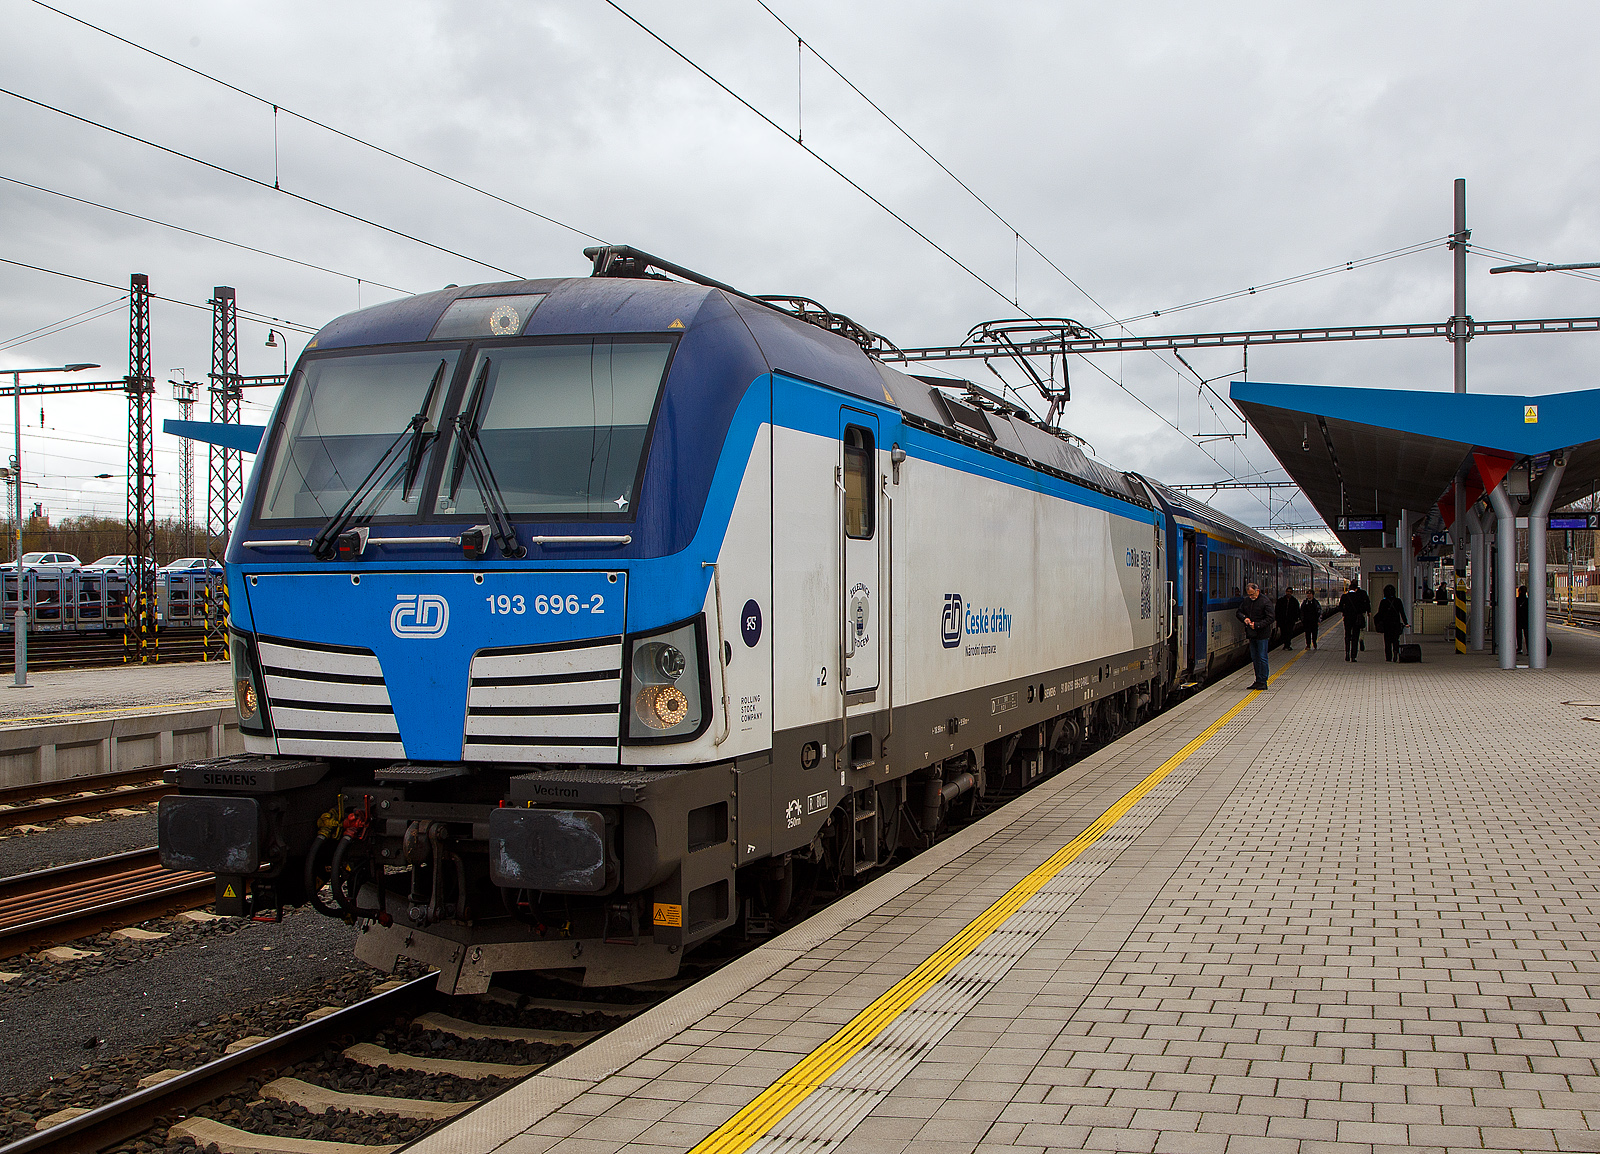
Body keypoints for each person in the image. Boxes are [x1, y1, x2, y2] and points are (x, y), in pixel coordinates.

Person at [1237, 580, 1274, 689]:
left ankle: (1263, 680)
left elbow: (1271, 618)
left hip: (1262, 634)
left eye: (1252, 594)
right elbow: (1239, 612)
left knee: (1262, 657)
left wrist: (1257, 625)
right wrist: (1245, 619)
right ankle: (1258, 679)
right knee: (1255, 657)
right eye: (1249, 595)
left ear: (1257, 591)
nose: (1251, 596)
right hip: (1252, 634)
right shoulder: (1247, 601)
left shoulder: (1265, 602)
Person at [1338, 580, 1371, 662]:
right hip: (1357, 619)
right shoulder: (1359, 596)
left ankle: (1347, 654)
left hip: (1347, 619)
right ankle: (1353, 656)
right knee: (1355, 637)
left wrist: (1345, 612)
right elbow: (1364, 606)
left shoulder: (1344, 597)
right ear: (1356, 589)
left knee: (1347, 636)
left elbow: (1340, 608)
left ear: (1349, 589)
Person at [1374, 583, 1409, 661]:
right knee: (1396, 639)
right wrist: (1406, 622)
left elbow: (1380, 614)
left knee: (1387, 641)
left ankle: (1388, 657)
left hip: (1387, 624)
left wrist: (1377, 622)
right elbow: (1402, 612)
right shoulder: (1398, 601)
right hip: (1396, 623)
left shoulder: (1383, 602)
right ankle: (1396, 651)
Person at [1274, 588, 1300, 652]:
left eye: (1290, 592)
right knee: (1283, 633)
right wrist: (1277, 618)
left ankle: (1287, 645)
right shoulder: (1281, 601)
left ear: (1292, 593)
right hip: (1282, 620)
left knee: (1289, 632)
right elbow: (1277, 610)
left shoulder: (1294, 601)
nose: (1288, 593)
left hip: (1290, 620)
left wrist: (1295, 618)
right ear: (1285, 592)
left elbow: (1297, 610)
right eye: (1287, 591)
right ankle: (1286, 644)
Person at [1515, 585, 1529, 654]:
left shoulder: (1516, 600)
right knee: (1527, 636)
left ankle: (1519, 648)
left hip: (1518, 619)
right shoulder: (1528, 601)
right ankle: (1529, 649)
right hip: (1526, 620)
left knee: (1519, 635)